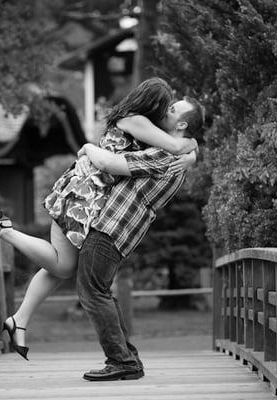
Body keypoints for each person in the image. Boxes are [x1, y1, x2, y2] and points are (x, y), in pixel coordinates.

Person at [0, 78, 198, 360]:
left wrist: (193, 154)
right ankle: (6, 232)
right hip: (84, 190)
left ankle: (18, 320)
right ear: (153, 103)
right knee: (64, 266)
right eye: (167, 105)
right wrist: (189, 152)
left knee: (61, 267)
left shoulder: (141, 124)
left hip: (92, 194)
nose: (167, 111)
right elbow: (176, 146)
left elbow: (180, 143)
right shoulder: (135, 120)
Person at [77, 96, 205, 381]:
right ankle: (127, 358)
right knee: (100, 291)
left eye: (172, 110)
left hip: (113, 226)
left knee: (92, 291)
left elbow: (109, 163)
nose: (165, 110)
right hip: (118, 227)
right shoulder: (171, 152)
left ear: (181, 124)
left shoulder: (165, 156)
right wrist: (193, 148)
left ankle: (121, 361)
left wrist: (87, 147)